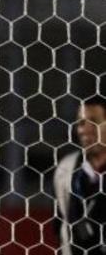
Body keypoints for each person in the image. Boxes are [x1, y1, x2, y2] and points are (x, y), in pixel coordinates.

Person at [54, 96, 106, 255]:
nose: (85, 129)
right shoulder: (66, 169)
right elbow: (60, 224)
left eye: (94, 121)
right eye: (81, 123)